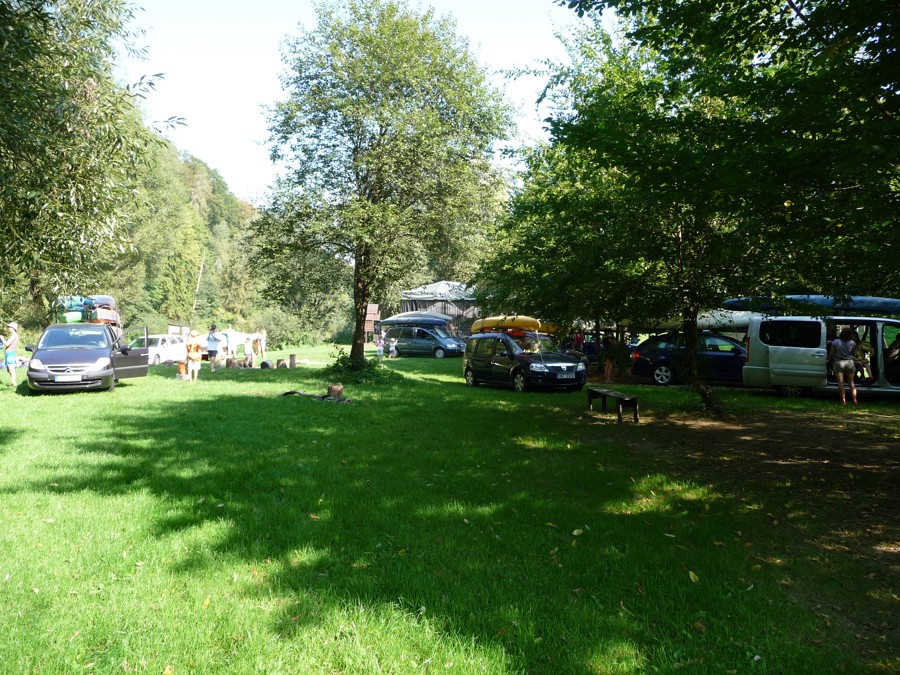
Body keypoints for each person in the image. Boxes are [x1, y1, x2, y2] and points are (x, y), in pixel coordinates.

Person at [827, 326, 858, 405]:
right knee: (851, 383)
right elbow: (853, 354)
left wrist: (829, 361)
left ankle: (843, 401)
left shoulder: (835, 342)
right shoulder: (852, 343)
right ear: (850, 335)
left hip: (839, 362)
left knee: (841, 383)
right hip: (849, 362)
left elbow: (831, 354)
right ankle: (855, 400)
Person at [3, 321, 19, 387]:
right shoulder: (13, 335)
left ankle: (14, 383)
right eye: (9, 327)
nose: (9, 328)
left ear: (14, 328)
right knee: (8, 369)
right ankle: (12, 382)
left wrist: (2, 338)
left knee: (11, 369)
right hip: (8, 353)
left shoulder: (14, 335)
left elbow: (7, 344)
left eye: (10, 327)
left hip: (10, 354)